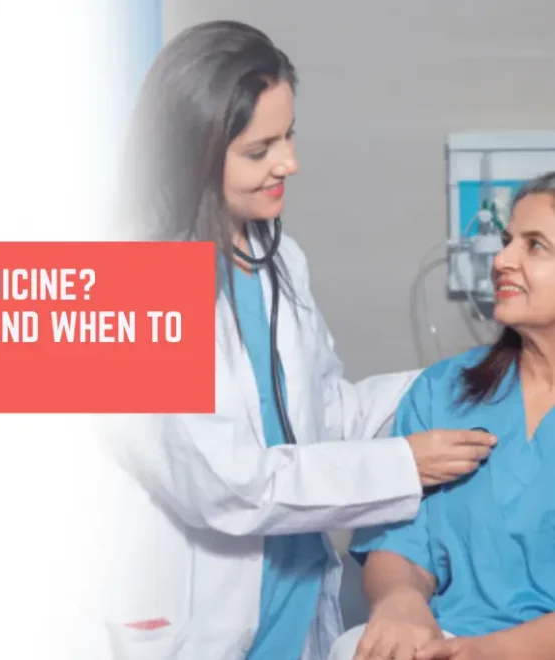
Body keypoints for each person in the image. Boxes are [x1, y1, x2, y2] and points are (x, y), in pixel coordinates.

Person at [96, 19, 497, 660]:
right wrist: (403, 465)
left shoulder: (278, 259)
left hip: (293, 603)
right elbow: (225, 484)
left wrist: (469, 376)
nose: (290, 163)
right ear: (191, 153)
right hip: (196, 620)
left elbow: (326, 414)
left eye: (289, 136)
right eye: (260, 150)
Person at [329, 171, 555, 660]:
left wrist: (489, 652)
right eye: (507, 240)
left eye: (536, 246)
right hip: (445, 643)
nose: (502, 260)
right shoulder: (443, 391)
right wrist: (401, 598)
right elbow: (401, 537)